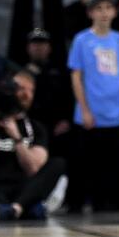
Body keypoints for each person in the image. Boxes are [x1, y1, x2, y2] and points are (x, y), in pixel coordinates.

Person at [66, 0, 119, 212]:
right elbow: (76, 76)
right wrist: (84, 109)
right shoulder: (82, 40)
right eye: (98, 8)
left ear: (115, 12)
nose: (104, 13)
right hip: (92, 113)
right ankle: (81, 203)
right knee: (87, 162)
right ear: (90, 13)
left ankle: (113, 204)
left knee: (115, 162)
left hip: (115, 112)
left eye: (108, 8)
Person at [0, 72, 66, 221]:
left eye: (31, 90)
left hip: (22, 189)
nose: (26, 94)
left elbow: (33, 170)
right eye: (21, 88)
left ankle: (15, 208)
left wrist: (17, 138)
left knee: (58, 163)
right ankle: (21, 208)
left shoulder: (35, 127)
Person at [19, 29, 74, 159]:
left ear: (49, 48)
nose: (38, 48)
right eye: (35, 44)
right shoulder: (19, 72)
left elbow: (69, 97)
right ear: (28, 48)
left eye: (42, 44)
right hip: (30, 126)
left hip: (56, 127)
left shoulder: (60, 72)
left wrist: (66, 120)